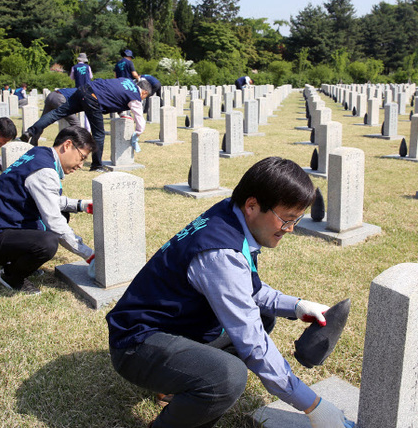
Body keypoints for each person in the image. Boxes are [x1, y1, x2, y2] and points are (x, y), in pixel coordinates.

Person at [106, 157, 354, 428]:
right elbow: (252, 344)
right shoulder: (220, 253)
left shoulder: (230, 213)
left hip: (170, 326)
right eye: (286, 219)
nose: (290, 229)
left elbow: (247, 290)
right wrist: (313, 406)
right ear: (252, 206)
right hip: (136, 344)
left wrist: (296, 306)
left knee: (264, 316)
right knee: (226, 377)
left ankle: (177, 385)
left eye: (296, 220)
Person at [0, 126, 97, 295]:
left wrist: (81, 205)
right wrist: (89, 255)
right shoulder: (44, 170)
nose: (81, 165)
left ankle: (16, 262)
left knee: (62, 214)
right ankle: (11, 276)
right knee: (47, 243)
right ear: (67, 145)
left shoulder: (40, 154)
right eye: (82, 157)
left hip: (1, 227)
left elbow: (48, 200)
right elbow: (54, 222)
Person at [21, 77, 156, 171]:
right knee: (99, 134)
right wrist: (138, 133)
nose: (142, 99)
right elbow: (140, 120)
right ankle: (96, 165)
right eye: (145, 97)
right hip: (94, 99)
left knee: (57, 113)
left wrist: (122, 113)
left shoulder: (126, 81)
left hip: (83, 89)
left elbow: (115, 94)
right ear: (144, 92)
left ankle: (31, 131)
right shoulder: (135, 97)